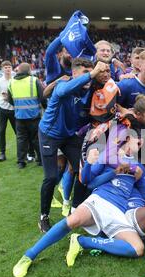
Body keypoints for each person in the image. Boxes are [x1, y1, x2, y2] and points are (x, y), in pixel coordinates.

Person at [13, 128, 145, 277]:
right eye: (137, 138)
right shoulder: (107, 156)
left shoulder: (139, 168)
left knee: (137, 249)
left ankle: (82, 241)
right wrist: (93, 164)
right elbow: (87, 180)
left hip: (119, 212)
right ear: (126, 139)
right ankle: (29, 256)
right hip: (101, 199)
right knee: (72, 220)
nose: (141, 142)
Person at [37, 58, 108, 233]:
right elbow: (60, 92)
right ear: (74, 73)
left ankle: (77, 208)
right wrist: (91, 74)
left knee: (84, 171)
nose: (89, 77)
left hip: (69, 136)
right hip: (49, 135)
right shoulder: (64, 83)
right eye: (85, 73)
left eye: (90, 73)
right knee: (52, 177)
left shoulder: (89, 88)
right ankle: (43, 216)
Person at [7, 63, 45, 169]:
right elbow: (42, 97)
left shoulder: (11, 82)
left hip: (19, 116)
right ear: (29, 71)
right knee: (36, 138)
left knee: (21, 139)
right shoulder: (34, 80)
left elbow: (10, 100)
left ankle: (21, 162)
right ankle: (40, 160)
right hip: (34, 115)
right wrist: (45, 107)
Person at [0, 60, 17, 162]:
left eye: (9, 67)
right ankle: (2, 153)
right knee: (1, 131)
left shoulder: (16, 79)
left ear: (11, 68)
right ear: (2, 69)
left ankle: (23, 152)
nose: (7, 69)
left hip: (14, 109)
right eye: (5, 67)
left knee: (19, 132)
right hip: (2, 110)